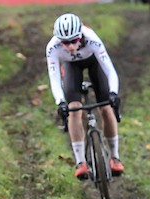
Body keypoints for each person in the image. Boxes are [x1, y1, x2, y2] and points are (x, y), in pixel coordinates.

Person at [45, 13, 124, 180]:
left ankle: (115, 157)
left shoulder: (92, 38)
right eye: (65, 42)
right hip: (71, 67)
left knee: (105, 107)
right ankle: (80, 162)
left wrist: (114, 93)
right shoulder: (52, 47)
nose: (70, 46)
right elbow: (54, 79)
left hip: (93, 62)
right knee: (73, 110)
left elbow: (110, 69)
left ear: (80, 35)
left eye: (74, 41)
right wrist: (60, 102)